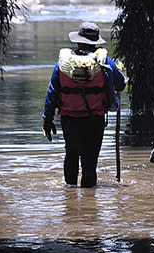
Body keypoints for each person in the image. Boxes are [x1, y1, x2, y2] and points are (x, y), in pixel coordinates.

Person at [42, 22, 126, 188]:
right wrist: (118, 70)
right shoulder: (104, 62)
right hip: (94, 120)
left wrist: (47, 118)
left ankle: (69, 196)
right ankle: (90, 202)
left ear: (78, 41)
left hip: (69, 119)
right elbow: (121, 85)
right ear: (95, 42)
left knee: (71, 154)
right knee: (90, 160)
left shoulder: (64, 63)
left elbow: (52, 93)